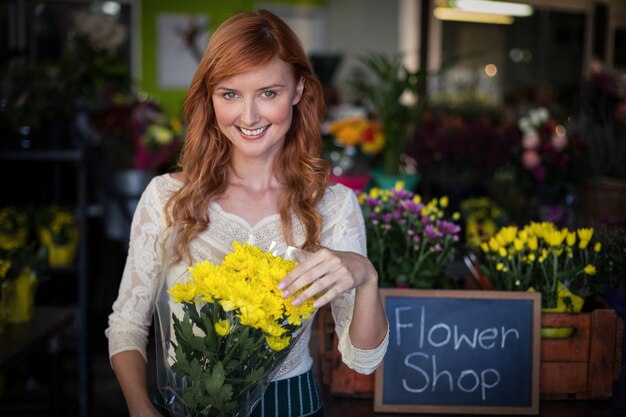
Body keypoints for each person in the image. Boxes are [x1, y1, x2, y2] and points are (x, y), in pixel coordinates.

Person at [105, 9, 389, 417]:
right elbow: (128, 326)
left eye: (268, 93)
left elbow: (363, 360)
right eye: (230, 94)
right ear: (210, 96)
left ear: (297, 90)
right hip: (188, 406)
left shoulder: (332, 205)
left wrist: (366, 276)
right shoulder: (167, 197)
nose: (249, 116)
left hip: (292, 406)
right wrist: (139, 407)